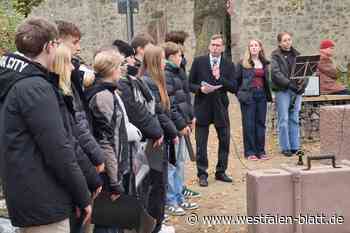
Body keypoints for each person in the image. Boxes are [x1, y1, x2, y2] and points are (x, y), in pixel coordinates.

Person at [0, 17, 91, 233]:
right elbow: (58, 149)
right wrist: (82, 195)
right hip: (44, 200)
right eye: (57, 44)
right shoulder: (35, 87)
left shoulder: (14, 80)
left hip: (29, 194)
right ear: (49, 46)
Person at [52, 44, 103, 233]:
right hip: (74, 174)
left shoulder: (67, 90)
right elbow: (72, 139)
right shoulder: (57, 95)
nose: (73, 68)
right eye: (69, 63)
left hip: (82, 166)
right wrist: (92, 174)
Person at [85, 48, 128, 233]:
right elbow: (106, 140)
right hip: (107, 171)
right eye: (119, 66)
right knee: (107, 223)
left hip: (112, 166)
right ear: (111, 70)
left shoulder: (108, 93)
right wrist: (114, 180)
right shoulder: (103, 96)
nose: (122, 70)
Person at [56, 20, 106, 172]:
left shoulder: (74, 69)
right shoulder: (60, 79)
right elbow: (76, 121)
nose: (79, 48)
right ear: (59, 42)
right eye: (74, 42)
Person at [189, 34, 236, 187]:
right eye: (213, 45)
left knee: (225, 140)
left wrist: (220, 78)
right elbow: (190, 84)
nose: (215, 48)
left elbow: (234, 87)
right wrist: (200, 89)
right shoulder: (199, 62)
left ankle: (221, 171)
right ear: (209, 46)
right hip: (202, 106)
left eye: (218, 45)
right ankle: (202, 173)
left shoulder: (228, 65)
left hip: (220, 107)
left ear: (222, 48)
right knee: (201, 143)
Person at [142, 45, 178, 233]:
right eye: (162, 59)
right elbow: (157, 112)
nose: (165, 62)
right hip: (155, 141)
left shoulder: (156, 81)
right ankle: (154, 225)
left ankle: (157, 222)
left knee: (160, 184)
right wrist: (173, 132)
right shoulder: (148, 82)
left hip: (162, 138)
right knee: (156, 185)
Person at [161, 41, 198, 216]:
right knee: (173, 165)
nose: (181, 58)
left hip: (183, 123)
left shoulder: (179, 72)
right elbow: (171, 103)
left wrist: (191, 118)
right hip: (175, 126)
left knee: (181, 163)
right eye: (179, 55)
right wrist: (180, 125)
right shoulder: (167, 74)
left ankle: (179, 196)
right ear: (171, 57)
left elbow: (186, 99)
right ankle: (171, 200)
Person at [271, 32, 307, 157]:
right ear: (280, 43)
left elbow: (305, 72)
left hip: (296, 91)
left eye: (289, 40)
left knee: (294, 118)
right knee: (284, 119)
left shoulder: (297, 54)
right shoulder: (275, 56)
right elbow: (276, 73)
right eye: (285, 40)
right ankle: (285, 147)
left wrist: (302, 86)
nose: (288, 42)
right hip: (283, 90)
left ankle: (295, 146)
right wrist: (289, 84)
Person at [236, 39, 272, 161]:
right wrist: (241, 95)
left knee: (260, 124)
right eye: (251, 45)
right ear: (249, 48)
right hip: (248, 96)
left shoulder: (264, 63)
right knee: (249, 124)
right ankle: (250, 152)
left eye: (256, 45)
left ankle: (260, 151)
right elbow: (236, 81)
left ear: (260, 48)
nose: (254, 47)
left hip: (261, 95)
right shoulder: (243, 63)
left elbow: (267, 81)